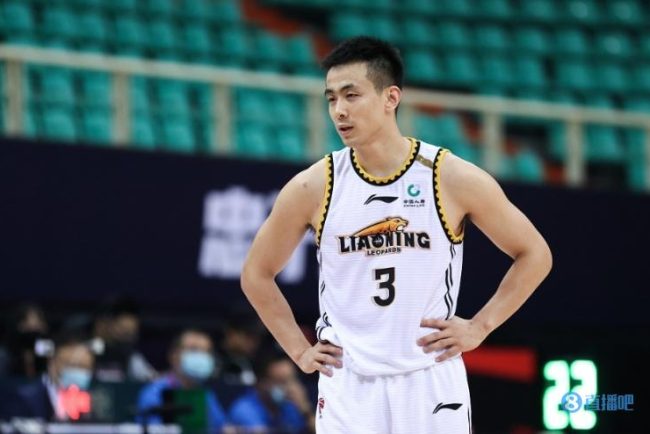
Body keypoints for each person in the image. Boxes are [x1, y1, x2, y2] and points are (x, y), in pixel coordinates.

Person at [240, 36, 553, 433]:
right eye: (331, 99)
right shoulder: (313, 186)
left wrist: (481, 326)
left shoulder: (449, 176)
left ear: (391, 98)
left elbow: (535, 253)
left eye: (351, 95)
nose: (339, 110)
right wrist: (299, 351)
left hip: (429, 376)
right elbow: (256, 274)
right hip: (348, 382)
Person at [137, 328, 232, 433]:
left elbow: (221, 428)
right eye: (194, 350)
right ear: (174, 356)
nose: (201, 357)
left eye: (206, 352)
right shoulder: (155, 393)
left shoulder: (206, 394)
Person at [2, 334, 95, 420]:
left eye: (85, 367)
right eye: (71, 365)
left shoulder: (94, 401)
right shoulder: (25, 399)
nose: (77, 372)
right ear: (52, 363)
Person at [229, 350, 314, 433]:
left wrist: (306, 410)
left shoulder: (290, 407)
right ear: (261, 383)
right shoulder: (244, 409)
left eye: (292, 379)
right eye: (281, 381)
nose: (290, 388)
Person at [92, 296, 156, 383]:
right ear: (104, 324)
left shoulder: (132, 358)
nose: (129, 338)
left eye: (132, 333)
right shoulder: (88, 351)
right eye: (124, 331)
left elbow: (154, 379)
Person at [218, 304, 266, 386]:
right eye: (249, 336)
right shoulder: (210, 358)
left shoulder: (257, 362)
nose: (254, 342)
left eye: (257, 336)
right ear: (231, 332)